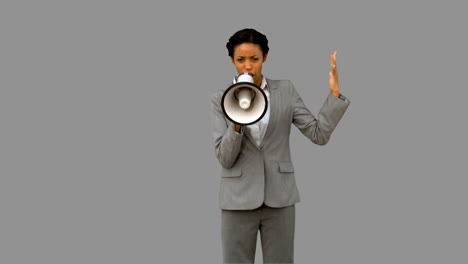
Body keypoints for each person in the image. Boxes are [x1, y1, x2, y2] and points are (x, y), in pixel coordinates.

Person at [210, 28, 350, 264]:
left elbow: (318, 134)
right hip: (237, 200)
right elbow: (225, 159)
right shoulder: (220, 99)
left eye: (254, 59)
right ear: (231, 60)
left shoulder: (285, 90)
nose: (247, 66)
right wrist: (236, 123)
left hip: (280, 198)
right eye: (240, 60)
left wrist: (334, 95)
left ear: (264, 57)